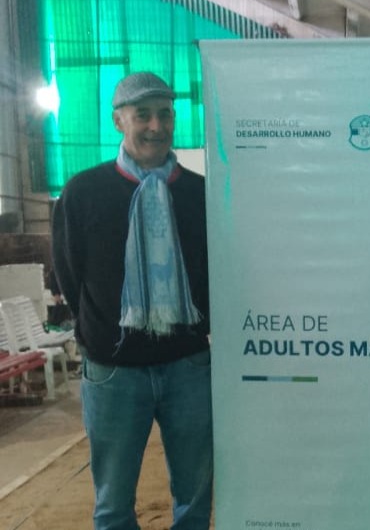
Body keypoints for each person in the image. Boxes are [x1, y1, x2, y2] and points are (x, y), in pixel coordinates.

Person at [52, 72, 212, 530]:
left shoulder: (199, 193)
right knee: (113, 502)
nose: (156, 126)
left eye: (165, 114)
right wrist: (99, 334)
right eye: (143, 115)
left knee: (195, 498)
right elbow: (69, 273)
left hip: (188, 366)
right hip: (113, 371)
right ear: (118, 121)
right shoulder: (83, 192)